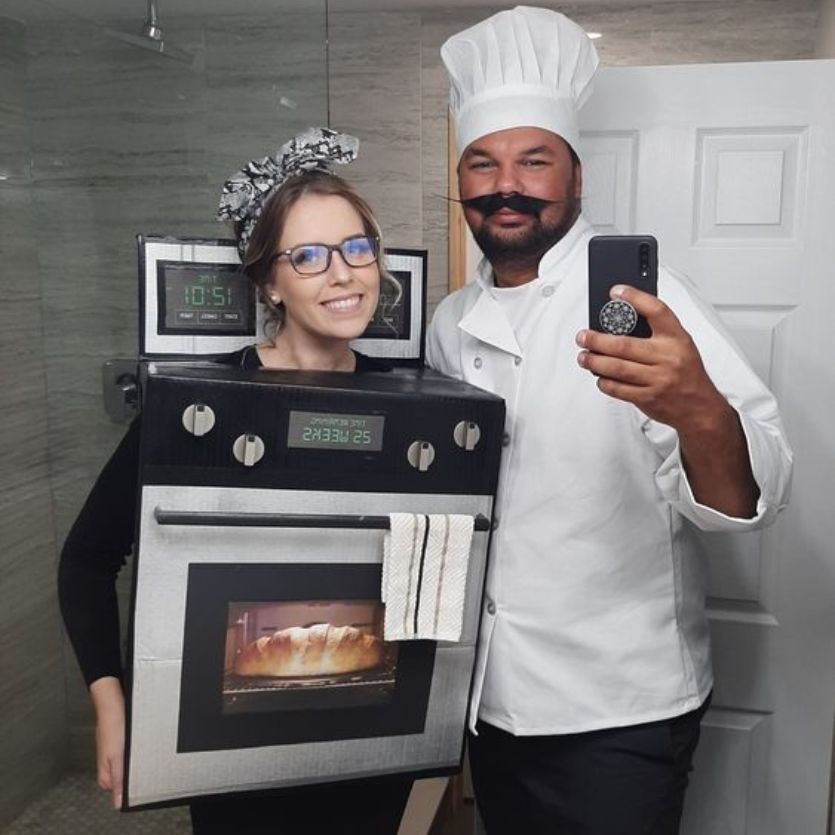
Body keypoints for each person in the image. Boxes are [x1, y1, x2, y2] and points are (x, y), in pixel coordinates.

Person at [427, 8, 793, 835]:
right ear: (460, 182)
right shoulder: (450, 321)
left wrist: (694, 402)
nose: (503, 183)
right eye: (480, 162)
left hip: (618, 707)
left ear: (575, 177)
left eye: (533, 160)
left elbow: (753, 497)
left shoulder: (645, 305)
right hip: (492, 697)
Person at [58, 127, 411, 835]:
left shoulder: (410, 406)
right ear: (268, 281)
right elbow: (87, 561)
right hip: (229, 737)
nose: (342, 274)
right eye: (308, 256)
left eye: (356, 248)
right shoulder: (195, 407)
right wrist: (112, 705)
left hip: (366, 727)